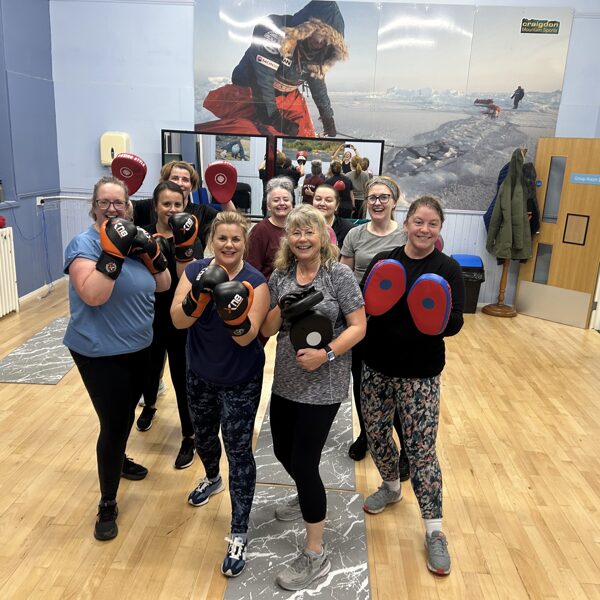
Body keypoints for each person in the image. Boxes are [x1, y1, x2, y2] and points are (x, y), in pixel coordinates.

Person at [261, 204, 366, 591]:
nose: (303, 238)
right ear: (287, 239)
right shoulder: (281, 275)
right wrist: (282, 308)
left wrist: (327, 354)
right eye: (296, 232)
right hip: (287, 380)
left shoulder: (338, 275)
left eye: (310, 232)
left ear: (323, 237)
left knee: (304, 463)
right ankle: (306, 493)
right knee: (282, 452)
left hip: (324, 384)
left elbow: (358, 326)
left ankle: (315, 553)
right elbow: (268, 328)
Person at [360, 196, 465, 576]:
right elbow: (364, 305)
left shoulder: (448, 268)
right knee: (376, 434)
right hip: (376, 366)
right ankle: (391, 486)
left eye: (432, 224)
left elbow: (455, 322)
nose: (424, 229)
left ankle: (434, 530)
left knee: (421, 450)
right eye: (418, 221)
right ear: (406, 224)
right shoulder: (385, 260)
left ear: (440, 229)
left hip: (420, 373)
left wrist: (433, 317)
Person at [63, 176, 171, 541]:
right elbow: (94, 295)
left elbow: (163, 285)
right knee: (114, 422)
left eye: (118, 203)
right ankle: (107, 502)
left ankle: (119, 458)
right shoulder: (84, 244)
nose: (112, 208)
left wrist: (151, 253)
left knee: (124, 414)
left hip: (141, 346)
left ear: (129, 206)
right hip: (99, 350)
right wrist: (113, 252)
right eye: (104, 202)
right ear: (93, 207)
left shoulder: (137, 239)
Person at [171, 210, 270, 578]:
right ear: (212, 240)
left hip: (241, 378)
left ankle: (239, 531)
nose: (229, 245)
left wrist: (233, 311)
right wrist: (197, 296)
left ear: (245, 242)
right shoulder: (195, 271)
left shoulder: (255, 281)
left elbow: (248, 337)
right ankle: (212, 477)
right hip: (200, 372)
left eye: (236, 239)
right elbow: (177, 320)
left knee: (239, 451)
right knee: (204, 437)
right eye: (222, 238)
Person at [340, 176, 409, 475]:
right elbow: (344, 279)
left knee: (395, 387)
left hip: (396, 322)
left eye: (383, 197)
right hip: (361, 320)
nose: (377, 203)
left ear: (394, 201)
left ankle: (406, 447)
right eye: (372, 198)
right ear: (366, 201)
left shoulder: (406, 235)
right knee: (362, 383)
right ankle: (367, 434)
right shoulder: (354, 235)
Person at [200, 1, 348, 137]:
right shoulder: (273, 32)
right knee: (255, 131)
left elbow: (318, 85)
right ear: (306, 29)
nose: (320, 42)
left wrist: (327, 117)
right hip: (249, 89)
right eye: (318, 35)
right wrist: (274, 119)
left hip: (284, 94)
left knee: (303, 131)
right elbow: (262, 79)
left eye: (326, 40)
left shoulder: (318, 55)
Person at [135, 182, 203, 470]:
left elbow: (189, 277)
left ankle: (189, 435)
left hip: (179, 318)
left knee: (181, 377)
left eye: (178, 204)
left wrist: (182, 244)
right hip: (149, 315)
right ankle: (150, 405)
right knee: (149, 370)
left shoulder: (190, 234)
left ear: (184, 206)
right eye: (166, 204)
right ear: (156, 206)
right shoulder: (142, 234)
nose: (172, 209)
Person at [133, 160, 235, 247]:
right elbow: (126, 209)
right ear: (165, 181)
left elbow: (233, 222)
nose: (180, 183)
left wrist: (224, 196)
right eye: (175, 178)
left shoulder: (203, 212)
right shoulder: (151, 205)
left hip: (191, 262)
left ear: (191, 186)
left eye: (185, 180)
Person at [247, 177, 294, 280]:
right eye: (276, 200)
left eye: (286, 200)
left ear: (291, 204)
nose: (282, 203)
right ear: (268, 206)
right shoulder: (260, 230)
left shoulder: (297, 228)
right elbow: (252, 268)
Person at [312, 183, 354, 248]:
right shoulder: (302, 225)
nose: (322, 203)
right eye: (318, 199)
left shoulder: (348, 230)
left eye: (328, 200)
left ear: (337, 205)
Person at [347, 155, 370, 219]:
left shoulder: (348, 175)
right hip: (362, 201)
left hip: (351, 201)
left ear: (351, 164)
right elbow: (367, 188)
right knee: (361, 221)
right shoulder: (366, 175)